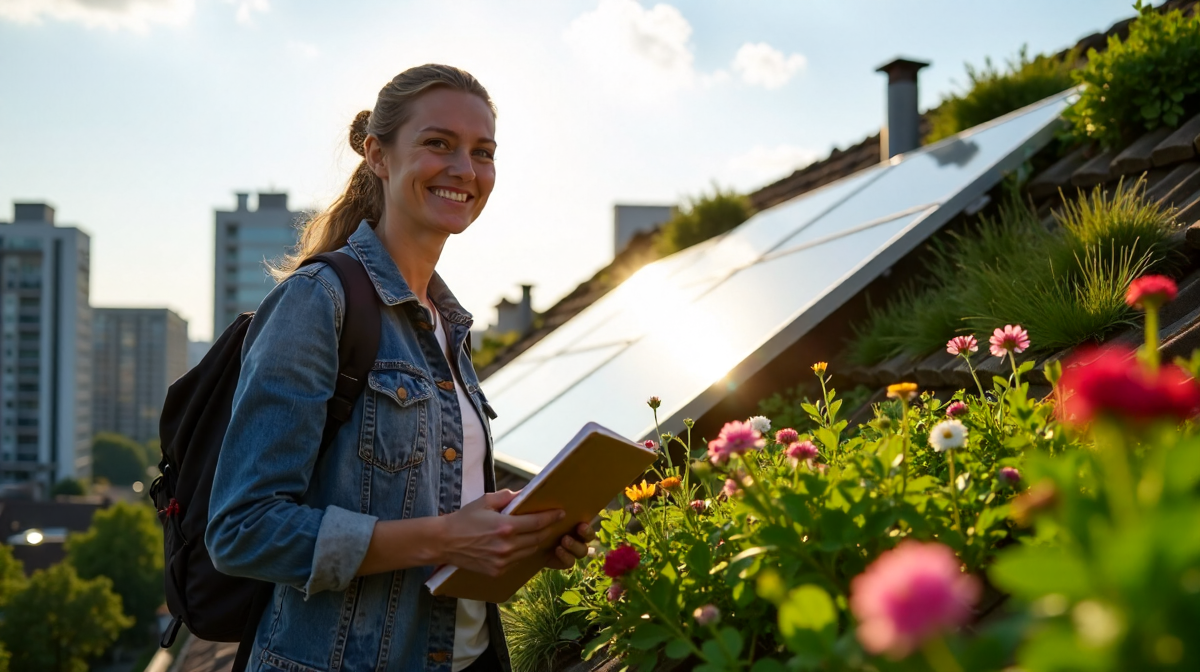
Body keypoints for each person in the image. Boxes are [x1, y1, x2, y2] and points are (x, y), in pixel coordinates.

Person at [206, 64, 592, 672]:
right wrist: (445, 538)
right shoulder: (318, 301)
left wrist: (521, 539)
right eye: (438, 144)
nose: (465, 169)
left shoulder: (448, 325)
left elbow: (441, 510)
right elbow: (242, 530)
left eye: (482, 152)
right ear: (377, 156)